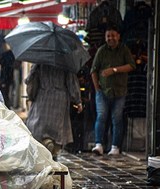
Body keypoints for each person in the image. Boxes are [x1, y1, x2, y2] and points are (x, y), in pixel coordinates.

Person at [90, 25, 136, 156]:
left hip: (120, 91)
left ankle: (115, 146)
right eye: (108, 36)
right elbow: (93, 71)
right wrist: (97, 89)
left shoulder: (124, 50)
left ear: (118, 36)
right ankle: (99, 144)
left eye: (113, 35)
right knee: (101, 116)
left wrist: (114, 70)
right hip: (103, 91)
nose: (110, 38)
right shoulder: (101, 51)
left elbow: (131, 66)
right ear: (105, 38)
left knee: (117, 119)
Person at [25, 64, 83, 160]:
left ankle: (46, 144)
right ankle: (54, 150)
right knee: (57, 130)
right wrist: (78, 100)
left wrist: (31, 95)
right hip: (60, 99)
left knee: (38, 128)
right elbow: (71, 83)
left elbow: (32, 79)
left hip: (42, 97)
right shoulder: (65, 61)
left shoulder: (39, 61)